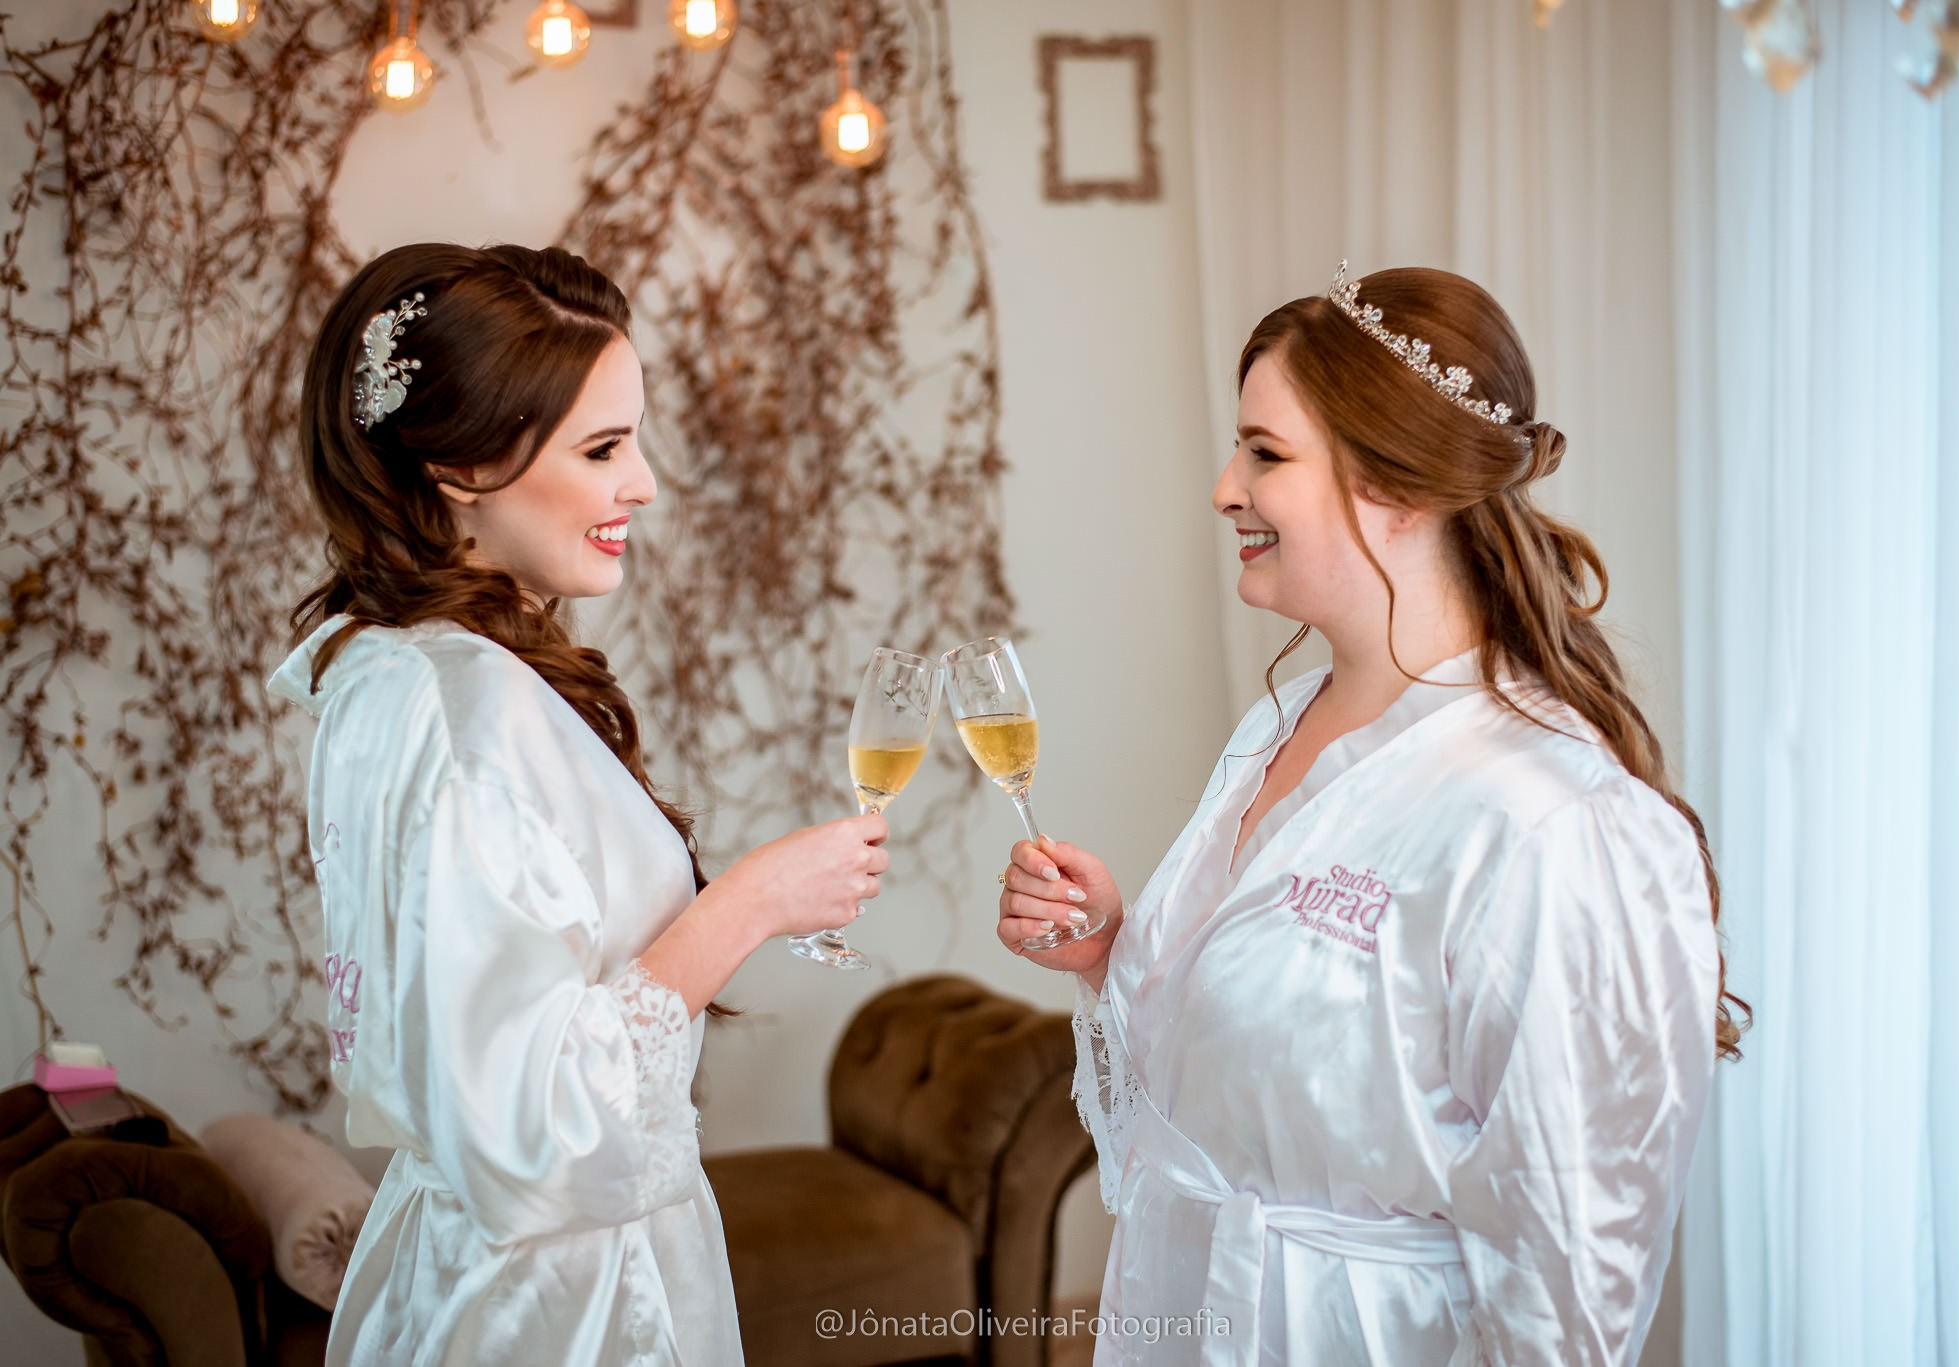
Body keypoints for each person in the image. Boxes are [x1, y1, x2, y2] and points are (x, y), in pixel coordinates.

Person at [996, 264, 1747, 1366]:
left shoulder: (1550, 822)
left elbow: (1568, 1293)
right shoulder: (1281, 721)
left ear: (1397, 487)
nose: (1222, 486)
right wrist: (1118, 952)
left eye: (1264, 452)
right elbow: (1237, 1089)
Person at [267, 242, 888, 1366]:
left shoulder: (403, 673)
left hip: (509, 1266)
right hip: (547, 1304)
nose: (642, 482)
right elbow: (528, 1114)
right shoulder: (462, 710)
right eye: (603, 447)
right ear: (458, 466)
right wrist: (746, 903)